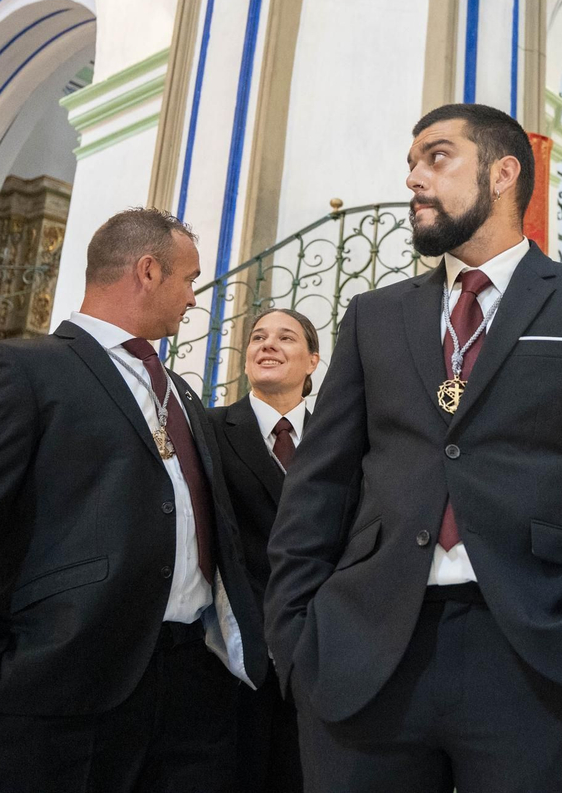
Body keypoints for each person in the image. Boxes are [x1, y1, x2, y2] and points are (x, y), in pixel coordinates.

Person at [264, 102, 562, 792]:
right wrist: (298, 640)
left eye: (437, 157)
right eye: (411, 163)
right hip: (367, 651)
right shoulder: (374, 316)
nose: (414, 179)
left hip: (540, 652)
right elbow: (319, 485)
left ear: (503, 172)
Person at [0, 208, 265, 793]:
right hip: (61, 685)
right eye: (188, 278)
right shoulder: (26, 369)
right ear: (147, 271)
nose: (193, 298)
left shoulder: (178, 391)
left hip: (190, 683)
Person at [211, 307, 322, 793]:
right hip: (232, 652)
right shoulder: (209, 431)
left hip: (320, 649)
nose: (267, 344)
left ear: (313, 362)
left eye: (285, 338)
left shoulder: (343, 437)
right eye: (257, 337)